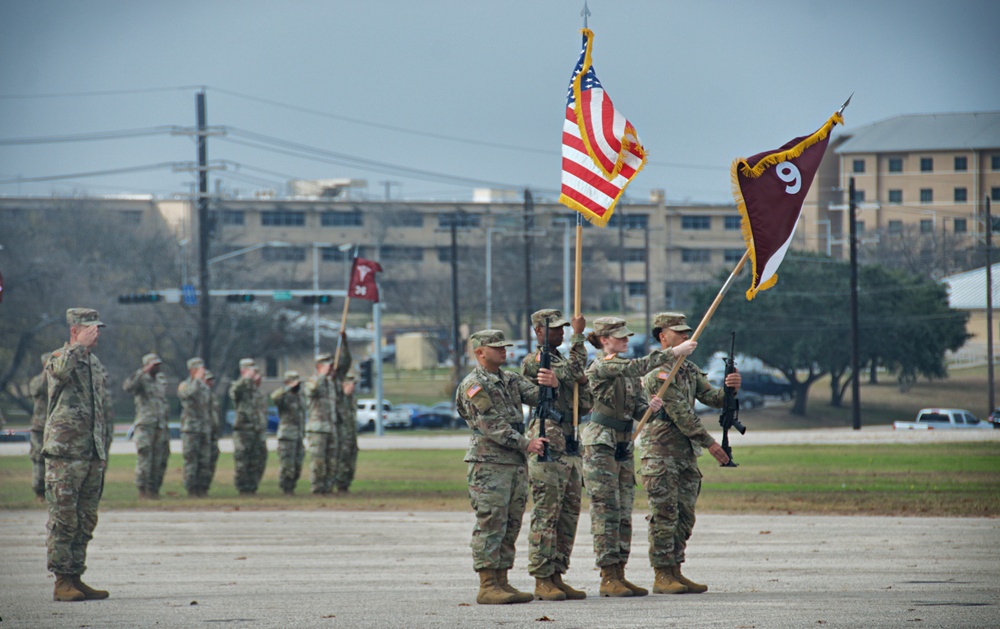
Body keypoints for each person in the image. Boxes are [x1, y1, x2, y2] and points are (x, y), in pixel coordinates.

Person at [583, 316, 696, 597]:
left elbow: (635, 409)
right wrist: (673, 353)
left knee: (623, 512)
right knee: (606, 511)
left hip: (622, 443)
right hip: (601, 444)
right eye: (619, 336)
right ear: (603, 340)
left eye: (626, 335)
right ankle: (608, 576)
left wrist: (650, 407)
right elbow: (637, 367)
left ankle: (619, 572)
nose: (625, 339)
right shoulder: (604, 365)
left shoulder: (624, 373)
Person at [639, 312, 741, 594]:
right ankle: (662, 574)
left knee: (685, 514)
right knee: (664, 514)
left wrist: (729, 390)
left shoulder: (689, 369)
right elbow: (681, 414)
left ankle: (676, 569)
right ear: (663, 336)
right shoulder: (658, 372)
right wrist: (710, 443)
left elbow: (710, 398)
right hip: (660, 453)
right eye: (679, 332)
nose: (687, 336)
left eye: (687, 331)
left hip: (684, 453)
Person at [455, 329, 557, 606]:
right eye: (497, 347)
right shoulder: (474, 385)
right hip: (489, 463)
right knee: (491, 522)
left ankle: (501, 579)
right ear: (480, 352)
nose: (504, 351)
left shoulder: (509, 379)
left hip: (512, 462)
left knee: (511, 523)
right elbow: (491, 425)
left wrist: (551, 382)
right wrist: (527, 443)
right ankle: (487, 584)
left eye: (504, 347)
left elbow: (539, 397)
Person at [520, 309, 591, 601]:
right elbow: (575, 371)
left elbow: (583, 398)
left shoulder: (561, 362)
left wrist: (577, 383)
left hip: (570, 439)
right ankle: (542, 577)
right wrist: (578, 336)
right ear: (538, 331)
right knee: (547, 512)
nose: (561, 333)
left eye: (564, 329)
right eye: (555, 329)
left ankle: (558, 573)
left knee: (568, 512)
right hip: (548, 437)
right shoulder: (535, 361)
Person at [43, 308, 111, 602]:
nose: (96, 332)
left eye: (97, 327)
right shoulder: (60, 357)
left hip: (91, 451)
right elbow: (59, 374)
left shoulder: (94, 364)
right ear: (74, 330)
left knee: (85, 519)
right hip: (65, 452)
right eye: (90, 328)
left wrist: (102, 447)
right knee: (64, 518)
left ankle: (76, 576)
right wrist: (77, 347)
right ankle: (61, 581)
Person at [123, 353, 170, 499]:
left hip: (160, 425)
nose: (157, 367)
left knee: (159, 458)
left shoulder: (160, 381)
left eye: (158, 365)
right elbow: (128, 387)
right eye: (154, 365)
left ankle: (154, 490)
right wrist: (142, 371)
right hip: (146, 424)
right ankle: (143, 490)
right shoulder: (141, 379)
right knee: (145, 457)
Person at [229, 358, 268, 495]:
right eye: (251, 370)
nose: (254, 374)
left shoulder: (257, 391)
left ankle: (253, 486)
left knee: (258, 459)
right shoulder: (239, 387)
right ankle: (243, 488)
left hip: (258, 431)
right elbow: (234, 392)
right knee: (243, 461)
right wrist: (246, 379)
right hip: (244, 431)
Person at [178, 357, 213, 497]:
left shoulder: (204, 387)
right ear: (191, 370)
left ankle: (202, 489)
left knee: (204, 460)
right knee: (191, 461)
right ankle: (191, 489)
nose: (202, 371)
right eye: (198, 369)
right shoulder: (185, 385)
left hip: (204, 428)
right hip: (191, 429)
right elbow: (188, 394)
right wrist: (197, 380)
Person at [304, 354, 337, 495]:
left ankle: (328, 488)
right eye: (327, 366)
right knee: (318, 461)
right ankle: (317, 489)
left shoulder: (330, 383)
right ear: (319, 367)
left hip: (330, 427)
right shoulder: (312, 381)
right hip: (317, 428)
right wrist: (322, 376)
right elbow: (312, 391)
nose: (330, 368)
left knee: (331, 461)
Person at [271, 370, 306, 495]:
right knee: (287, 465)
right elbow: (274, 397)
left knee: (298, 463)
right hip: (287, 435)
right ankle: (286, 488)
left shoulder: (299, 397)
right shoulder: (283, 396)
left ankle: (292, 486)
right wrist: (287, 388)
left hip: (298, 435)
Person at [28, 352, 52, 502]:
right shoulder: (37, 380)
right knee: (39, 458)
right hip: (39, 426)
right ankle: (39, 491)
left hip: (54, 426)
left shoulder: (58, 379)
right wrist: (46, 373)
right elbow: (38, 389)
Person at [334, 373, 359, 493]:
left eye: (353, 384)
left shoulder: (352, 400)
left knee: (351, 462)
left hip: (351, 436)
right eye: (349, 384)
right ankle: (340, 485)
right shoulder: (338, 401)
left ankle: (346, 484)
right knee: (342, 461)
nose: (352, 387)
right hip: (342, 437)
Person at [204, 370, 222, 490]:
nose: (211, 383)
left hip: (213, 432)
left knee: (213, 457)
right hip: (202, 431)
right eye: (208, 380)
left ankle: (206, 484)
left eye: (211, 380)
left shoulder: (212, 396)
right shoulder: (195, 393)